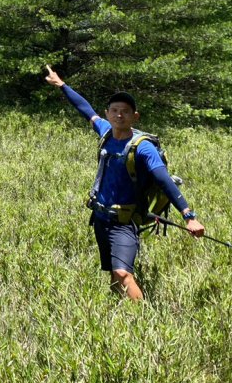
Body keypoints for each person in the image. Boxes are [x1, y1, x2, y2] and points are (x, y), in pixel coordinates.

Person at [45, 65, 205, 301]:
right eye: (115, 110)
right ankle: (121, 317)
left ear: (135, 116)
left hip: (125, 220)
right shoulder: (106, 132)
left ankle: (143, 322)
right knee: (114, 272)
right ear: (108, 113)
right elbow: (84, 109)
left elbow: (163, 180)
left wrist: (189, 217)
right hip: (101, 217)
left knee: (122, 273)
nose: (119, 115)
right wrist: (62, 85)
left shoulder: (143, 147)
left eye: (126, 111)